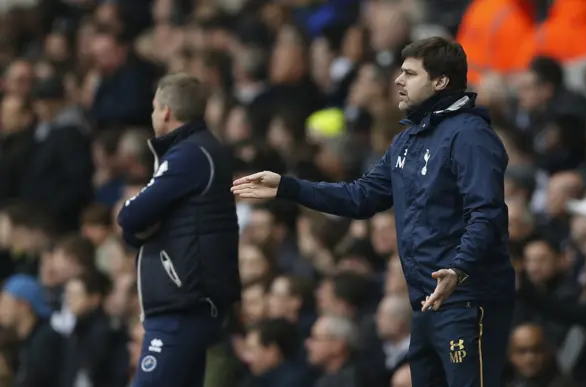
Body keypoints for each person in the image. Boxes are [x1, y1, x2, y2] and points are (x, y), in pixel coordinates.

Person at [232, 37, 514, 387]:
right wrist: (288, 187)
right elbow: (360, 197)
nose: (398, 80)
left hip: (468, 298)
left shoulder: (470, 135)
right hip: (426, 302)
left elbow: (486, 213)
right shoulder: (407, 141)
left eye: (410, 74)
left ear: (441, 81)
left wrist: (459, 268)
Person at [118, 73, 240, 387]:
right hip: (189, 300)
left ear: (167, 111)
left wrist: (142, 224)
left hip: (183, 303)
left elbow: (131, 216)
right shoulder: (197, 151)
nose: (152, 114)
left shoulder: (189, 154)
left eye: (154, 108)